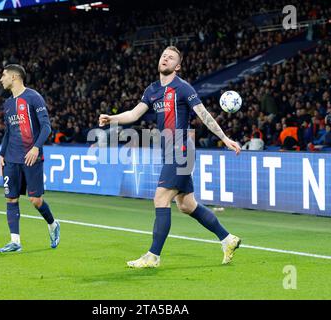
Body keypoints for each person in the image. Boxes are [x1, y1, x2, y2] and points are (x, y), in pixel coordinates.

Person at [99, 47, 241, 268]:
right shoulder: (152, 90)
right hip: (169, 152)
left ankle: (153, 256)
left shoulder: (183, 88)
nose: (165, 58)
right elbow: (135, 114)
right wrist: (112, 118)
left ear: (178, 66)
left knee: (161, 199)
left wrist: (225, 138)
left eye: (171, 57)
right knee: (186, 204)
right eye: (164, 55)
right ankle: (227, 239)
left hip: (180, 151)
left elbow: (204, 115)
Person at [0, 64, 60, 253]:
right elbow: (8, 132)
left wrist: (35, 148)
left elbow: (46, 127)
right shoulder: (8, 104)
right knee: (11, 199)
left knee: (35, 200)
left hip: (31, 157)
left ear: (15, 77)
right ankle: (15, 241)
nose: (1, 79)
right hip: (11, 158)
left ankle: (53, 224)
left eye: (4, 75)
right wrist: (2, 153)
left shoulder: (33, 97)